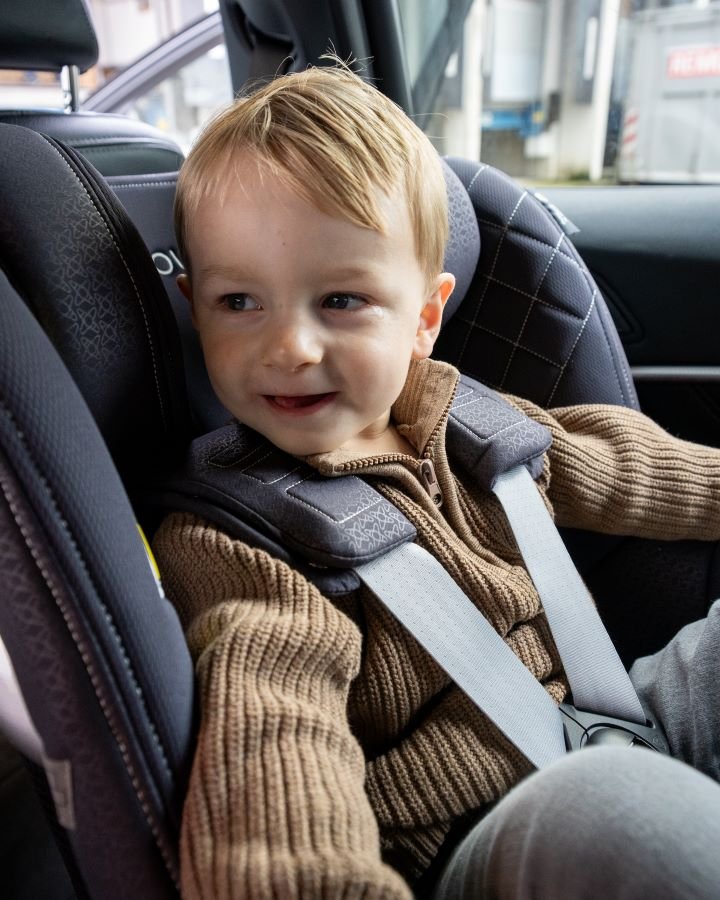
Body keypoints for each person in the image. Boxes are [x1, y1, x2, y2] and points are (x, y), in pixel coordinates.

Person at [152, 62, 720, 899]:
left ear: (424, 319)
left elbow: (627, 468)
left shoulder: (464, 423)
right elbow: (275, 742)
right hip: (464, 842)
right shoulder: (238, 542)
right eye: (239, 302)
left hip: (609, 721)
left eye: (340, 300)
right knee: (619, 810)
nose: (290, 348)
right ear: (194, 307)